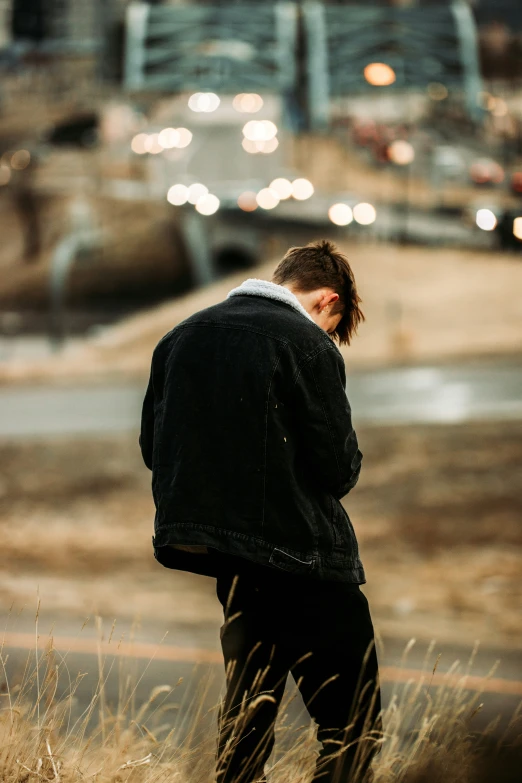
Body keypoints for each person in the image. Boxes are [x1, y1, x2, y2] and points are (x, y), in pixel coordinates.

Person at [140, 240, 382, 782]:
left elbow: (153, 449)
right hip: (305, 559)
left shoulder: (178, 338)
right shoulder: (308, 346)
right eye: (332, 323)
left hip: (233, 565)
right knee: (354, 722)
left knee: (248, 719)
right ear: (327, 300)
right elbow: (338, 470)